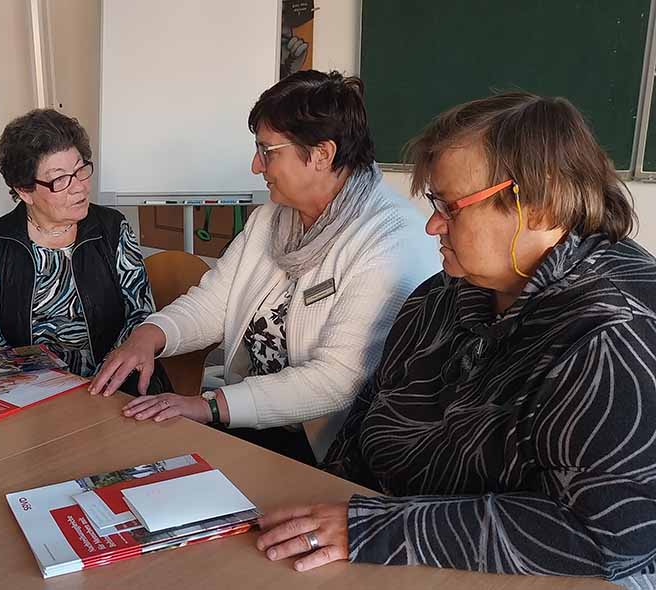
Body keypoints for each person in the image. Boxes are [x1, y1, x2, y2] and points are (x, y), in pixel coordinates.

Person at [256, 92, 656, 586]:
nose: (432, 225)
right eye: (435, 204)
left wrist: (372, 530)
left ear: (541, 203)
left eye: (451, 207)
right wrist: (326, 513)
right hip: (389, 549)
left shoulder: (615, 333)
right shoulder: (443, 296)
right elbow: (368, 422)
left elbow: (607, 539)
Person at [91, 70, 438, 464]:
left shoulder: (390, 241)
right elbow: (215, 303)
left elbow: (337, 381)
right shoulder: (274, 217)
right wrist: (149, 335)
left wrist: (210, 407)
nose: (257, 166)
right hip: (248, 419)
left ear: (322, 154)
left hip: (327, 449)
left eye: (268, 151)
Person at [0, 109, 168, 393]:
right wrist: (33, 384)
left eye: (80, 170)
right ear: (24, 191)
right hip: (34, 391)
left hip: (114, 385)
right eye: (60, 179)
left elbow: (140, 314)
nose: (79, 187)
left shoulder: (111, 229)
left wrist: (101, 380)